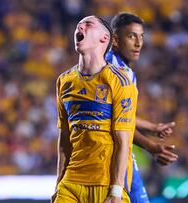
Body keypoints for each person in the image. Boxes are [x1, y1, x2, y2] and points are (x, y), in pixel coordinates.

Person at [52, 15, 138, 203]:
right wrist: (58, 185)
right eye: (78, 26)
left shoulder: (120, 82)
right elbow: (64, 138)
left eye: (87, 25)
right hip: (71, 183)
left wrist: (116, 189)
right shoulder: (64, 81)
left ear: (104, 38)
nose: (79, 28)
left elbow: (123, 141)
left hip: (105, 182)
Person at [106, 12, 178, 203]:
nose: (138, 43)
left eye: (141, 37)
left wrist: (153, 128)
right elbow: (117, 123)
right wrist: (151, 147)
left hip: (123, 153)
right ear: (115, 40)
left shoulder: (126, 70)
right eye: (131, 36)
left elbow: (123, 116)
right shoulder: (111, 71)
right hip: (109, 155)